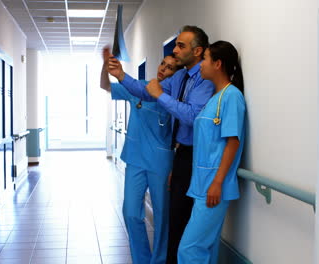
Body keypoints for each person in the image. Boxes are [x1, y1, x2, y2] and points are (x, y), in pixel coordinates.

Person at [107, 25, 214, 264]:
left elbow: (191, 116)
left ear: (197, 51)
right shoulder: (179, 78)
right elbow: (146, 91)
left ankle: (163, 260)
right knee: (161, 216)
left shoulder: (204, 81)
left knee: (176, 220)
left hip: (194, 156)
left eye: (180, 45)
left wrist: (159, 95)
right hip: (175, 155)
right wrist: (122, 76)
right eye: (175, 45)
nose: (175, 50)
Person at [100, 47, 181, 264]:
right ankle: (142, 259)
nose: (164, 68)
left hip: (161, 164)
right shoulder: (140, 87)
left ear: (178, 74)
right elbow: (105, 86)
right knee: (131, 212)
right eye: (163, 64)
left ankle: (160, 260)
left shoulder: (173, 98)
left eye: (171, 67)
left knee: (162, 217)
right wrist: (105, 65)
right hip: (135, 159)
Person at [177, 40, 246, 264]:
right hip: (203, 184)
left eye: (205, 59)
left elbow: (232, 142)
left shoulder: (231, 96)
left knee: (189, 249)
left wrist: (217, 182)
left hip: (213, 186)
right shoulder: (214, 98)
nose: (201, 64)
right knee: (205, 248)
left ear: (218, 64)